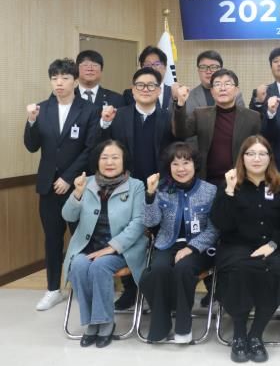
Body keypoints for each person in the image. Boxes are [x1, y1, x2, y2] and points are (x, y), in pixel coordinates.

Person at [211, 135, 280, 363]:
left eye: (262, 154)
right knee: (239, 269)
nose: (257, 159)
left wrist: (272, 245)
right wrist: (230, 191)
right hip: (236, 245)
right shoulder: (230, 185)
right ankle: (239, 334)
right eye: (251, 154)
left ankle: (256, 334)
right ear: (242, 158)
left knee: (276, 268)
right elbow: (221, 223)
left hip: (274, 245)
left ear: (270, 158)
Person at [24, 58, 99, 311]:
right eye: (55, 78)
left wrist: (68, 178)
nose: (59, 83)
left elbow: (90, 149)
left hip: (78, 185)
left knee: (83, 236)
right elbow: (32, 146)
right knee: (52, 239)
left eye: (65, 78)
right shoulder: (42, 108)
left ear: (75, 81)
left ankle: (85, 286)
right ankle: (53, 289)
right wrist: (31, 121)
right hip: (48, 186)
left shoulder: (88, 110)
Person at [99, 67, 176, 310]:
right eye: (140, 85)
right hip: (125, 188)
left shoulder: (168, 117)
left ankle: (158, 291)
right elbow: (102, 148)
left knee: (161, 240)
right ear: (133, 90)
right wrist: (104, 123)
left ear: (159, 90)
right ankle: (130, 290)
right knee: (126, 236)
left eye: (151, 85)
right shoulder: (119, 116)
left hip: (161, 189)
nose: (145, 89)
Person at [62, 139, 148, 348]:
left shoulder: (136, 186)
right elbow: (68, 215)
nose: (109, 162)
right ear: (97, 161)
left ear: (124, 160)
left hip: (122, 249)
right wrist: (77, 193)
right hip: (89, 247)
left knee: (100, 266)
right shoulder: (86, 182)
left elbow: (139, 223)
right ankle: (92, 322)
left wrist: (113, 247)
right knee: (78, 265)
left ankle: (105, 322)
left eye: (115, 157)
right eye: (104, 157)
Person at [139, 142, 219, 344]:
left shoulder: (210, 190)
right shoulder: (161, 189)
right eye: (175, 164)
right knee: (157, 270)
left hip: (200, 247)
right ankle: (160, 328)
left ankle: (183, 329)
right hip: (167, 243)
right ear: (169, 167)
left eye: (186, 163)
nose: (181, 168)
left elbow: (214, 229)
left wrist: (191, 248)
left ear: (195, 165)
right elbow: (150, 222)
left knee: (183, 268)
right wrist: (150, 195)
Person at [172, 68, 262, 187]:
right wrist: (180, 104)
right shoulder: (200, 114)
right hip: (207, 181)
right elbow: (180, 132)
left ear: (236, 90)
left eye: (227, 84)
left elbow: (259, 149)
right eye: (217, 84)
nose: (222, 88)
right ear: (212, 92)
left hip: (240, 181)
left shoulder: (252, 117)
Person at [185, 50, 246, 114]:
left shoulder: (234, 94)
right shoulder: (189, 96)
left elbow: (241, 117)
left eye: (213, 67)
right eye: (203, 67)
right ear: (198, 71)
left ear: (221, 70)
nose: (208, 71)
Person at [123, 46, 177, 111]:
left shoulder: (174, 93)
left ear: (165, 68)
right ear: (142, 69)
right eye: (147, 65)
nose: (152, 68)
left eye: (157, 64)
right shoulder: (131, 93)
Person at [249, 46, 280, 111]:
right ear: (271, 67)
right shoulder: (261, 93)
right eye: (276, 61)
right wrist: (259, 101)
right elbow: (253, 117)